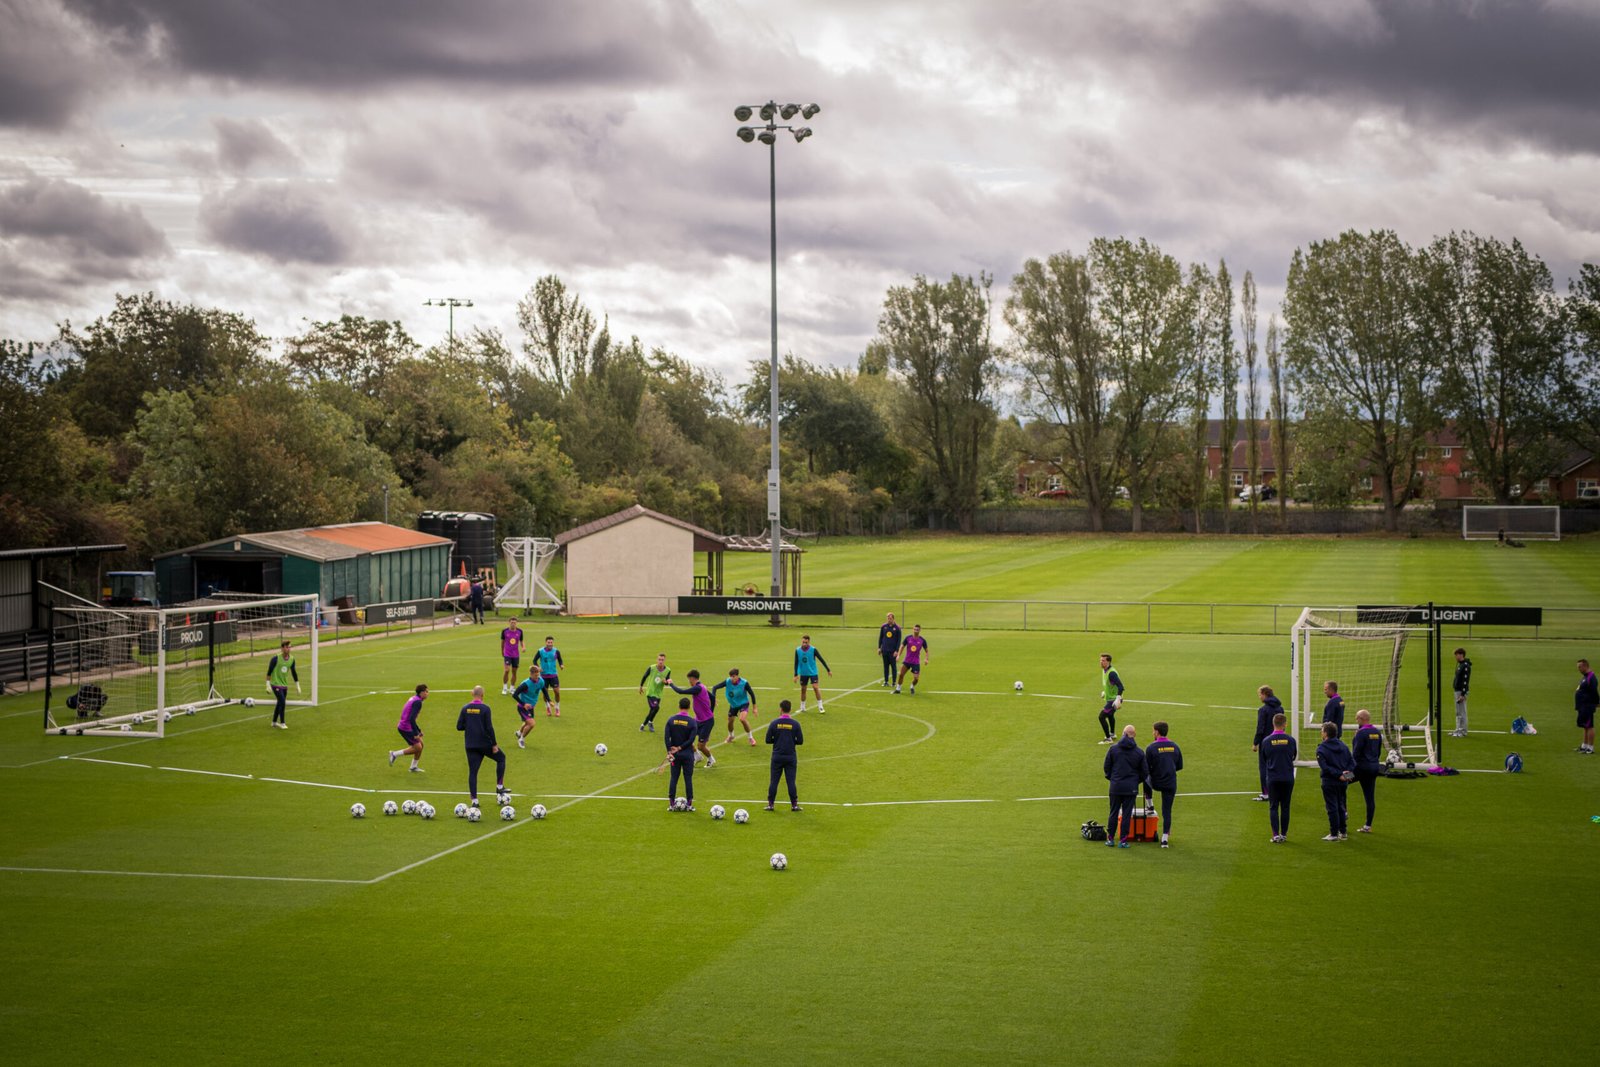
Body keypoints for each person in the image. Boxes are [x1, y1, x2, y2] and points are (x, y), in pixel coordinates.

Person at [456, 684, 507, 809]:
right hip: (484, 744)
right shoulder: (485, 708)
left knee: (473, 772)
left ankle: (474, 800)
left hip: (470, 745)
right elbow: (489, 728)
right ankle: (499, 786)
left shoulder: (465, 708)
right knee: (501, 758)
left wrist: (470, 726)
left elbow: (459, 727)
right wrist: (494, 744)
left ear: (472, 694)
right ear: (482, 695)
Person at [1103, 724, 1146, 848]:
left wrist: (1113, 779)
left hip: (1116, 786)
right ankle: (1123, 840)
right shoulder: (1139, 752)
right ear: (1134, 735)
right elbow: (1144, 772)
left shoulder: (1113, 749)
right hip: (1130, 788)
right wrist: (1135, 782)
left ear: (1123, 733)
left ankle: (1110, 838)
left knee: (1113, 812)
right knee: (1127, 814)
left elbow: (1107, 767)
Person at [1142, 721, 1183, 849]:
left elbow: (1146, 768)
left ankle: (1149, 804)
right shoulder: (1175, 746)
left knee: (1145, 777)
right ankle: (1165, 839)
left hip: (1156, 782)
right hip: (1170, 783)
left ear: (1157, 732)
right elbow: (1179, 766)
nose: (1153, 733)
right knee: (1167, 811)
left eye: (1153, 731)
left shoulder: (1151, 748)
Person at [1315, 720, 1356, 841]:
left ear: (1326, 733)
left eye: (1322, 731)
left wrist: (1339, 775)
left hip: (1329, 781)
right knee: (1341, 806)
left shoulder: (1321, 749)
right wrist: (1346, 776)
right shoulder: (1343, 746)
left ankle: (1333, 833)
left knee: (1332, 807)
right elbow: (1352, 762)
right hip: (1343, 782)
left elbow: (1325, 767)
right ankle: (1343, 832)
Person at [667, 670, 717, 768]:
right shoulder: (702, 686)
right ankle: (697, 756)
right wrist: (711, 710)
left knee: (701, 746)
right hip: (698, 720)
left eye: (689, 680)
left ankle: (711, 758)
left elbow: (681, 691)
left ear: (693, 679)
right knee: (687, 738)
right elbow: (713, 697)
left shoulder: (697, 688)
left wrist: (671, 683)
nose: (689, 682)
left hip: (707, 721)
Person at [1261, 711, 1298, 843]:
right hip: (1288, 777)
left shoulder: (1266, 741)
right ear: (1285, 724)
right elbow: (1294, 756)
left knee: (1273, 806)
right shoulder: (1291, 740)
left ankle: (1276, 835)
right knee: (1286, 806)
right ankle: (1284, 834)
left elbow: (1264, 758)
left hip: (1273, 777)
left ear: (1273, 724)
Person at [765, 698, 804, 811]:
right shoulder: (795, 724)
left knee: (774, 781)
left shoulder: (774, 723)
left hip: (777, 756)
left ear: (780, 709)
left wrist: (777, 741)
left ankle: (771, 804)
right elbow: (800, 741)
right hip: (790, 757)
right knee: (791, 781)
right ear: (790, 709)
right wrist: (791, 741)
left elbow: (768, 740)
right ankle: (794, 805)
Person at [1350, 708, 1382, 833]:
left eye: (1357, 718)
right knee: (1370, 797)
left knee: (1340, 782)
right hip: (1373, 769)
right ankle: (1368, 825)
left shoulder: (1361, 733)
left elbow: (1356, 754)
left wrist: (1355, 738)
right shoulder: (1377, 732)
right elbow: (1378, 751)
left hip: (1360, 770)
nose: (1356, 720)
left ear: (1362, 719)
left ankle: (1344, 811)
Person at [1251, 685, 1285, 800]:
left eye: (1260, 694)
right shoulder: (1280, 708)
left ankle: (1266, 793)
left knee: (1264, 767)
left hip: (1266, 743)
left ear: (1265, 694)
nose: (1259, 697)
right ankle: (1278, 791)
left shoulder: (1263, 710)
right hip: (1280, 740)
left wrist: (1255, 743)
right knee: (1277, 766)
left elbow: (1260, 728)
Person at [663, 697, 697, 811]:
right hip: (687, 755)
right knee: (688, 779)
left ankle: (672, 805)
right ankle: (689, 805)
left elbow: (666, 737)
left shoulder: (671, 720)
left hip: (675, 756)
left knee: (674, 778)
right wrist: (680, 748)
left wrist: (670, 751)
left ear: (679, 706)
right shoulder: (692, 722)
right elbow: (691, 740)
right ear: (689, 707)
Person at [712, 668, 759, 746]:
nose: (732, 678)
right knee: (730, 721)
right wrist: (713, 699)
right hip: (733, 704)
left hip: (743, 703)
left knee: (742, 719)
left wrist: (754, 707)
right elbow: (714, 687)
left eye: (733, 676)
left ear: (737, 676)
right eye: (731, 676)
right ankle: (731, 736)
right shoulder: (727, 681)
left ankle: (750, 737)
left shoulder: (744, 683)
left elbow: (752, 694)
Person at [388, 684, 427, 771]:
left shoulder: (415, 698)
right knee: (418, 747)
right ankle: (394, 754)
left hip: (406, 725)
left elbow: (411, 718)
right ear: (421, 693)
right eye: (426, 692)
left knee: (421, 745)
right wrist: (416, 733)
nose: (427, 694)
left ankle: (413, 767)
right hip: (405, 727)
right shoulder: (418, 702)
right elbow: (411, 718)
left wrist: (418, 730)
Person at [265, 640, 300, 730]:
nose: (289, 649)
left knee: (279, 703)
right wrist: (268, 685)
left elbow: (294, 672)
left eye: (290, 647)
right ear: (282, 648)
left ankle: (273, 722)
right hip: (275, 684)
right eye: (287, 647)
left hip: (284, 685)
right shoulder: (275, 659)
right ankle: (282, 722)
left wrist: (297, 685)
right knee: (282, 702)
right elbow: (269, 672)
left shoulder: (292, 659)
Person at [793, 635, 831, 713]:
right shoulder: (797, 650)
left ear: (809, 642)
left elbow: (821, 659)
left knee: (815, 687)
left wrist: (828, 670)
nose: (804, 644)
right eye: (803, 642)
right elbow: (796, 663)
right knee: (803, 689)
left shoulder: (813, 650)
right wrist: (796, 674)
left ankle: (820, 707)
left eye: (806, 642)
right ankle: (802, 707)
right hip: (803, 673)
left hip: (813, 672)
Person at [511, 666, 545, 749]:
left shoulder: (540, 681)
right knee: (532, 723)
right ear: (531, 674)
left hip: (531, 707)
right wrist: (524, 704)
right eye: (536, 676)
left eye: (538, 675)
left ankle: (519, 732)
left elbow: (544, 690)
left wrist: (549, 700)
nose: (537, 677)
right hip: (522, 707)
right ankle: (521, 739)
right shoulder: (525, 684)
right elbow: (514, 695)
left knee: (527, 723)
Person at [638, 652, 671, 733]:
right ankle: (648, 723)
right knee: (656, 708)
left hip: (659, 694)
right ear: (657, 660)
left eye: (662, 660)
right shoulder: (652, 668)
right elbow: (645, 676)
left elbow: (667, 683)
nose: (660, 661)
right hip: (650, 692)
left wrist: (665, 682)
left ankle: (644, 724)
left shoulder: (668, 670)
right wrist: (641, 686)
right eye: (659, 659)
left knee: (653, 709)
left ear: (665, 660)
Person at [1096, 653, 1124, 744]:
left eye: (1103, 660)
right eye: (1100, 660)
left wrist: (1118, 699)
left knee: (1101, 716)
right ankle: (1112, 734)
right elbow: (1111, 684)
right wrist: (1105, 692)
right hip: (1111, 698)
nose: (1101, 662)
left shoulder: (1111, 673)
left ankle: (1108, 739)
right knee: (1110, 715)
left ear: (1108, 662)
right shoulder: (1105, 670)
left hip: (1114, 700)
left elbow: (1121, 686)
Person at [896, 624, 929, 695]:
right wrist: (898, 655)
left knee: (916, 679)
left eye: (917, 629)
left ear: (920, 630)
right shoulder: (908, 638)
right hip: (907, 661)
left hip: (916, 662)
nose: (916, 631)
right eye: (915, 629)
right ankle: (898, 689)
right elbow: (902, 647)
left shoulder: (922, 640)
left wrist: (926, 659)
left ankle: (912, 686)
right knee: (901, 674)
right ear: (913, 629)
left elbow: (926, 650)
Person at [536, 636, 564, 716]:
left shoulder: (556, 651)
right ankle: (548, 707)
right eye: (548, 642)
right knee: (545, 693)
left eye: (551, 642)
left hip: (553, 675)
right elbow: (534, 660)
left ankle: (557, 708)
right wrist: (538, 667)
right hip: (543, 676)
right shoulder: (540, 651)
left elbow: (560, 659)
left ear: (553, 643)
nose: (550, 644)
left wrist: (561, 665)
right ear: (546, 642)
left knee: (557, 692)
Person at [1576, 657, 1598, 755]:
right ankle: (1584, 745)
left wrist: (1597, 703)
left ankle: (1590, 747)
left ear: (1585, 666)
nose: (1578, 669)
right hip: (1582, 705)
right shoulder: (1585, 676)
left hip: (1587, 705)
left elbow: (1594, 692)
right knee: (1585, 726)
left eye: (1580, 667)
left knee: (1589, 726)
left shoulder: (1591, 677)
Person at [499, 616, 525, 695]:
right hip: (507, 654)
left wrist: (523, 647)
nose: (513, 624)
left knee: (514, 672)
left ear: (516, 623)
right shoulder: (504, 631)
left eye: (514, 622)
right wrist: (502, 651)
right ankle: (504, 687)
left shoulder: (520, 631)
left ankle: (512, 688)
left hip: (516, 655)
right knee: (507, 670)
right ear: (509, 622)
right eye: (511, 622)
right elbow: (502, 642)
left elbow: (521, 641)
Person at [1450, 647, 1472, 737]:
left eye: (1456, 655)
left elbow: (1465, 681)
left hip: (1460, 692)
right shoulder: (1460, 664)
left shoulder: (1465, 666)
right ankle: (1458, 729)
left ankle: (1463, 731)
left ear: (1461, 655)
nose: (1456, 657)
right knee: (1458, 712)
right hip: (1457, 691)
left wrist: (1463, 694)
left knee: (1462, 711)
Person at [876, 612, 902, 687]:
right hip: (884, 650)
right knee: (885, 667)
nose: (889, 620)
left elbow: (898, 640)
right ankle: (886, 681)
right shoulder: (884, 626)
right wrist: (879, 648)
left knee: (893, 667)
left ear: (893, 619)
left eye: (890, 618)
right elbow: (881, 638)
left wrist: (896, 651)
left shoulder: (897, 628)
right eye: (888, 618)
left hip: (892, 651)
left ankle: (894, 682)